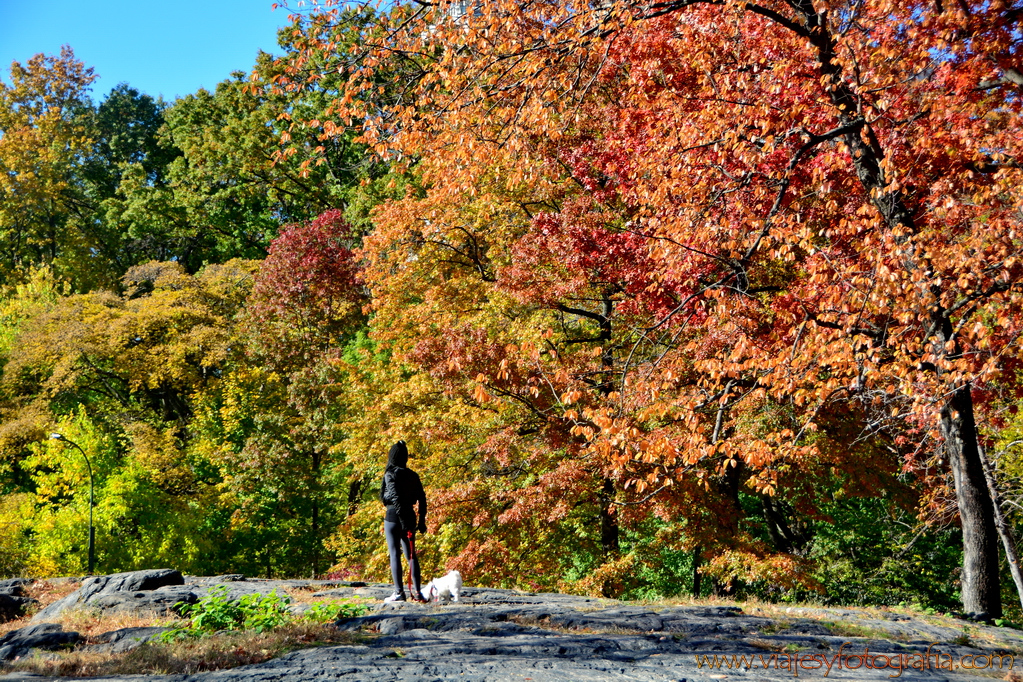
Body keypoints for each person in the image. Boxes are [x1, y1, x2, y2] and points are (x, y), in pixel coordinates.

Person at [379, 440, 428, 602]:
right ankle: (418, 592)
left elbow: (394, 497)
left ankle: (399, 592)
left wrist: (401, 519)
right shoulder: (413, 475)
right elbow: (422, 497)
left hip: (393, 517)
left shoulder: (390, 474)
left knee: (395, 553)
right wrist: (421, 521)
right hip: (410, 516)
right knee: (411, 555)